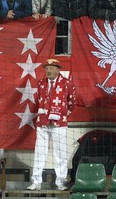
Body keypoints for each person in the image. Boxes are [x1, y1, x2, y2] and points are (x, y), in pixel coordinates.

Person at [28, 58, 75, 191]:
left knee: (60, 153)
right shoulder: (41, 83)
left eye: (51, 68)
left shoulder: (67, 84)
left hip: (59, 124)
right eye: (47, 68)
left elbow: (72, 102)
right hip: (43, 123)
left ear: (57, 69)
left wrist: (62, 115)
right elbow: (39, 100)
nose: (48, 70)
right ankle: (36, 182)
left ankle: (60, 181)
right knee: (39, 153)